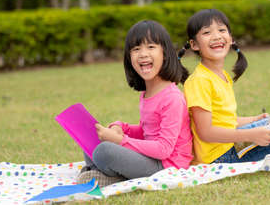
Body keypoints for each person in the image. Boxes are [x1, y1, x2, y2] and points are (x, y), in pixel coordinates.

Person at [179, 9, 270, 164]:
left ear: (230, 38)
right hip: (220, 156)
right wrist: (250, 135)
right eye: (207, 33)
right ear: (194, 44)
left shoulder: (221, 75)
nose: (216, 36)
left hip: (228, 146)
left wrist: (254, 120)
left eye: (222, 30)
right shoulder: (200, 81)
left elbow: (224, 121)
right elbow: (206, 132)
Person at [77, 20, 193, 186]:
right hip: (151, 158)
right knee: (92, 140)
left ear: (165, 53)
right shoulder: (148, 93)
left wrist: (120, 141)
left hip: (166, 166)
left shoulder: (172, 98)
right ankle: (104, 174)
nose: (143, 54)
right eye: (136, 49)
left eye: (151, 47)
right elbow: (147, 132)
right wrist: (120, 127)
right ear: (129, 58)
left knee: (104, 151)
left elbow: (163, 149)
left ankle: (104, 175)